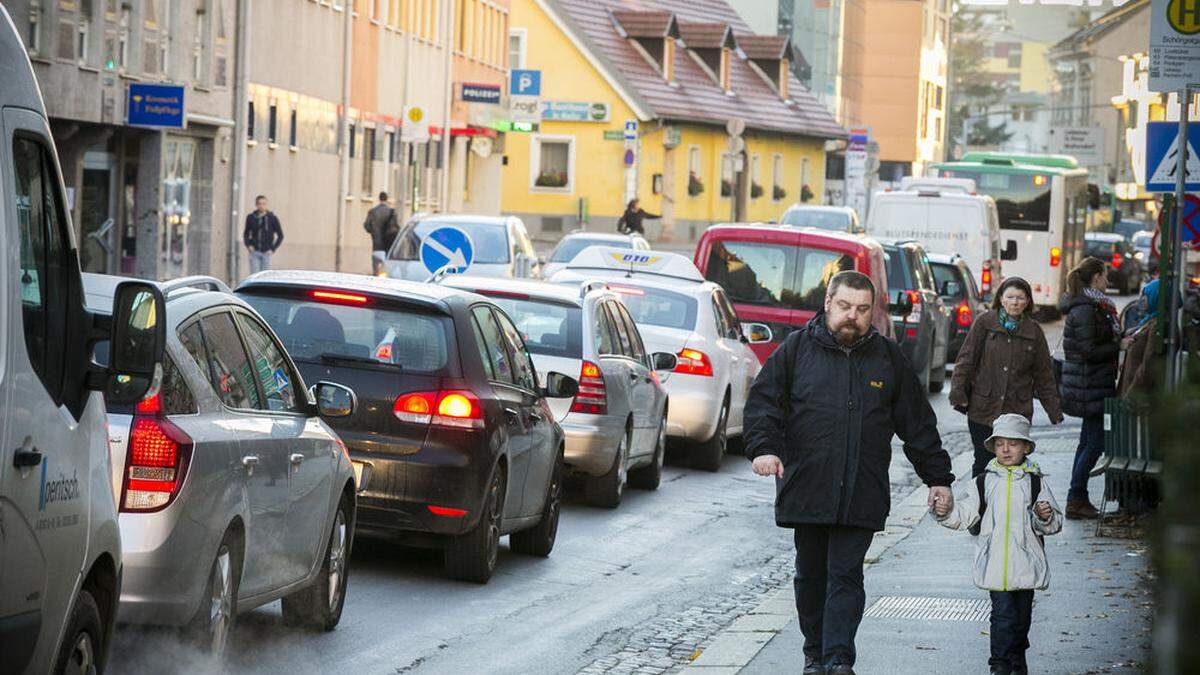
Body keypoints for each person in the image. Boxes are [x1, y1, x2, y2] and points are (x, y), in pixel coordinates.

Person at [743, 270, 954, 675]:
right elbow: (764, 403)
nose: (851, 317)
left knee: (845, 575)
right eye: (844, 307)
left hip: (862, 489)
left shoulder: (887, 357)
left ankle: (838, 659)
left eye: (861, 309)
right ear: (827, 304)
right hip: (808, 485)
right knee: (810, 577)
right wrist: (764, 449)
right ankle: (814, 653)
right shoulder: (796, 350)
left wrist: (938, 479)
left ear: (872, 312)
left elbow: (917, 424)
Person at [933, 413, 1062, 675]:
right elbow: (965, 514)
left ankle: (1017, 659)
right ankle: (1000, 665)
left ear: (1026, 447)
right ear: (993, 447)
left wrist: (1044, 516)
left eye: (1013, 444)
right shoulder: (983, 482)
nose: (1005, 449)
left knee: (1021, 620)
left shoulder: (1035, 482)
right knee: (1002, 617)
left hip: (1026, 565)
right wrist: (945, 511)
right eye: (1000, 443)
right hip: (996, 566)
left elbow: (1052, 523)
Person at [948, 276, 1063, 478]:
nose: (1015, 302)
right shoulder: (985, 322)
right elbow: (966, 359)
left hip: (1016, 411)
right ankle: (981, 506)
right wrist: (958, 393)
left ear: (1028, 301)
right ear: (1001, 298)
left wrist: (1054, 411)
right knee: (983, 461)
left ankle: (1008, 507)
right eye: (1010, 296)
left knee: (1012, 464)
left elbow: (1044, 375)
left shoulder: (1034, 332)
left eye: (1020, 297)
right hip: (983, 408)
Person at [1059, 257, 1119, 520]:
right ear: (1095, 277)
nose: (1107, 281)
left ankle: (1078, 498)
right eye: (1105, 276)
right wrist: (1120, 345)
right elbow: (1087, 350)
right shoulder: (1086, 308)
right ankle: (1075, 497)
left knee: (1087, 441)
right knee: (1095, 443)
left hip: (1091, 383)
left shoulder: (1092, 305)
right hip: (1089, 383)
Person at [1118, 278, 1160, 399]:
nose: (1142, 300)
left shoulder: (1156, 326)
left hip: (1135, 397)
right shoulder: (1148, 321)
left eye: (1146, 295)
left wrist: (1130, 395)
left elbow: (1147, 366)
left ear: (1155, 298)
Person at [244, 195, 284, 274]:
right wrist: (248, 245)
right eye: (259, 204)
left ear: (266, 205)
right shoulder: (251, 217)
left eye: (264, 204)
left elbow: (280, 235)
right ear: (256, 205)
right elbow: (246, 233)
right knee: (254, 275)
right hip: (254, 251)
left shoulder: (272, 218)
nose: (261, 206)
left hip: (266, 252)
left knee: (264, 276)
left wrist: (273, 249)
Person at [364, 191, 400, 274]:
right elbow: (396, 227)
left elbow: (367, 226)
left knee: (376, 260)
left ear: (379, 199)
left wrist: (374, 232)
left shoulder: (373, 212)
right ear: (387, 199)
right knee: (386, 260)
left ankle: (375, 274)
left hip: (377, 242)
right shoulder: (391, 212)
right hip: (388, 242)